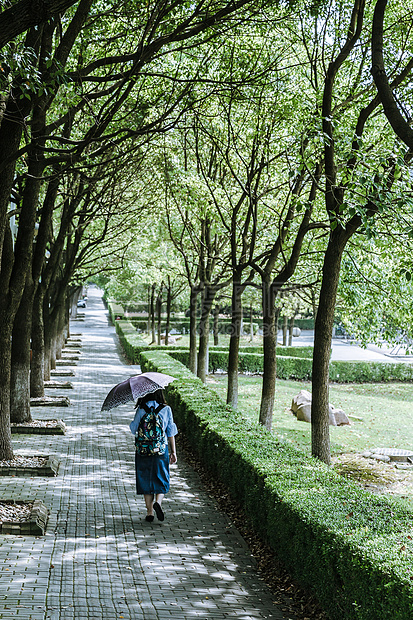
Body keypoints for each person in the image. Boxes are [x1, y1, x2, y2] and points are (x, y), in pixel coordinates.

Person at [130, 389, 178, 522]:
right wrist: (173, 452)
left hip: (143, 450)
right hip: (161, 450)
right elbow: (170, 432)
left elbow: (134, 429)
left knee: (145, 478)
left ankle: (150, 512)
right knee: (161, 477)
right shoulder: (166, 409)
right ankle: (158, 502)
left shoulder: (141, 408)